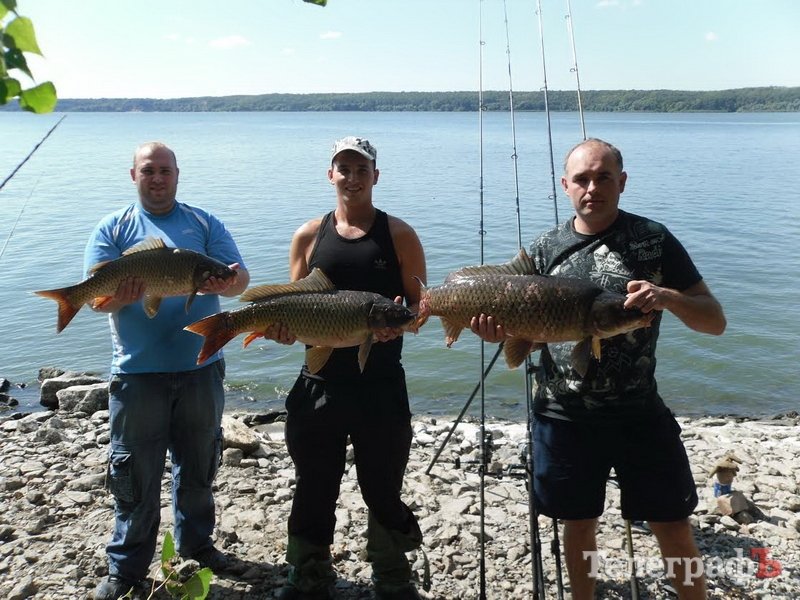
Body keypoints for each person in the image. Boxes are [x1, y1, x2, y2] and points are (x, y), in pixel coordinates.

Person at [471, 138, 726, 600]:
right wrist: (494, 331)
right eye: (582, 179)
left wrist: (667, 297)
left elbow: (715, 321)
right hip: (563, 416)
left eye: (603, 177)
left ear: (621, 182)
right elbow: (503, 310)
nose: (593, 187)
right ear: (565, 185)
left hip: (639, 411)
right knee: (578, 523)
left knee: (672, 523)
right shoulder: (544, 249)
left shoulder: (654, 239)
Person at [87, 142, 250, 600]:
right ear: (133, 175)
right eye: (148, 171)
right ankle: (126, 567)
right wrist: (124, 293)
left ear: (178, 175)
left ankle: (198, 547)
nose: (157, 179)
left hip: (201, 368)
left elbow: (240, 282)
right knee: (134, 474)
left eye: (165, 171)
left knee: (199, 466)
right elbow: (101, 301)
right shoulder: (113, 228)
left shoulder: (204, 223)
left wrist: (227, 280)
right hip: (137, 375)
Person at [267, 136, 427, 600]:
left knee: (383, 485)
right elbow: (290, 306)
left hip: (380, 387)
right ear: (330, 175)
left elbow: (420, 311)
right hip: (319, 385)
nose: (352, 178)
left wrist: (403, 324)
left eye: (362, 170)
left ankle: (393, 578)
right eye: (344, 169)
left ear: (376, 176)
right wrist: (279, 329)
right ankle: (308, 575)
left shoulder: (398, 234)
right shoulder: (307, 235)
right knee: (314, 484)